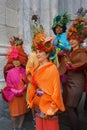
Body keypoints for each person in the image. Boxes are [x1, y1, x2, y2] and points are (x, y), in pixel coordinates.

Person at [26, 32, 65, 130]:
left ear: (47, 53)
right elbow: (33, 86)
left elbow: (56, 89)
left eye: (40, 52)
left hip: (49, 105)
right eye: (37, 52)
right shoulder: (36, 68)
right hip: (38, 104)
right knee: (40, 126)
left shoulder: (52, 68)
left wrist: (52, 107)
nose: (38, 54)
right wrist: (31, 99)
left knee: (50, 126)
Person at [58, 17, 87, 130]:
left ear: (79, 39)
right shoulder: (69, 51)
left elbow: (82, 63)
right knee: (73, 107)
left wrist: (71, 65)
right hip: (68, 81)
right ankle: (76, 125)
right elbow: (65, 65)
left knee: (70, 107)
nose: (71, 41)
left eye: (74, 39)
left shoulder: (82, 52)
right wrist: (63, 57)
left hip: (77, 82)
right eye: (70, 39)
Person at [2, 36, 28, 130]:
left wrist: (23, 89)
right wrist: (16, 91)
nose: (16, 62)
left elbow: (26, 81)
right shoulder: (9, 71)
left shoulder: (24, 70)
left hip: (23, 95)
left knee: (22, 112)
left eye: (18, 60)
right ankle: (14, 127)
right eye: (15, 60)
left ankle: (19, 127)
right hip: (13, 96)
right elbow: (9, 84)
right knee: (14, 114)